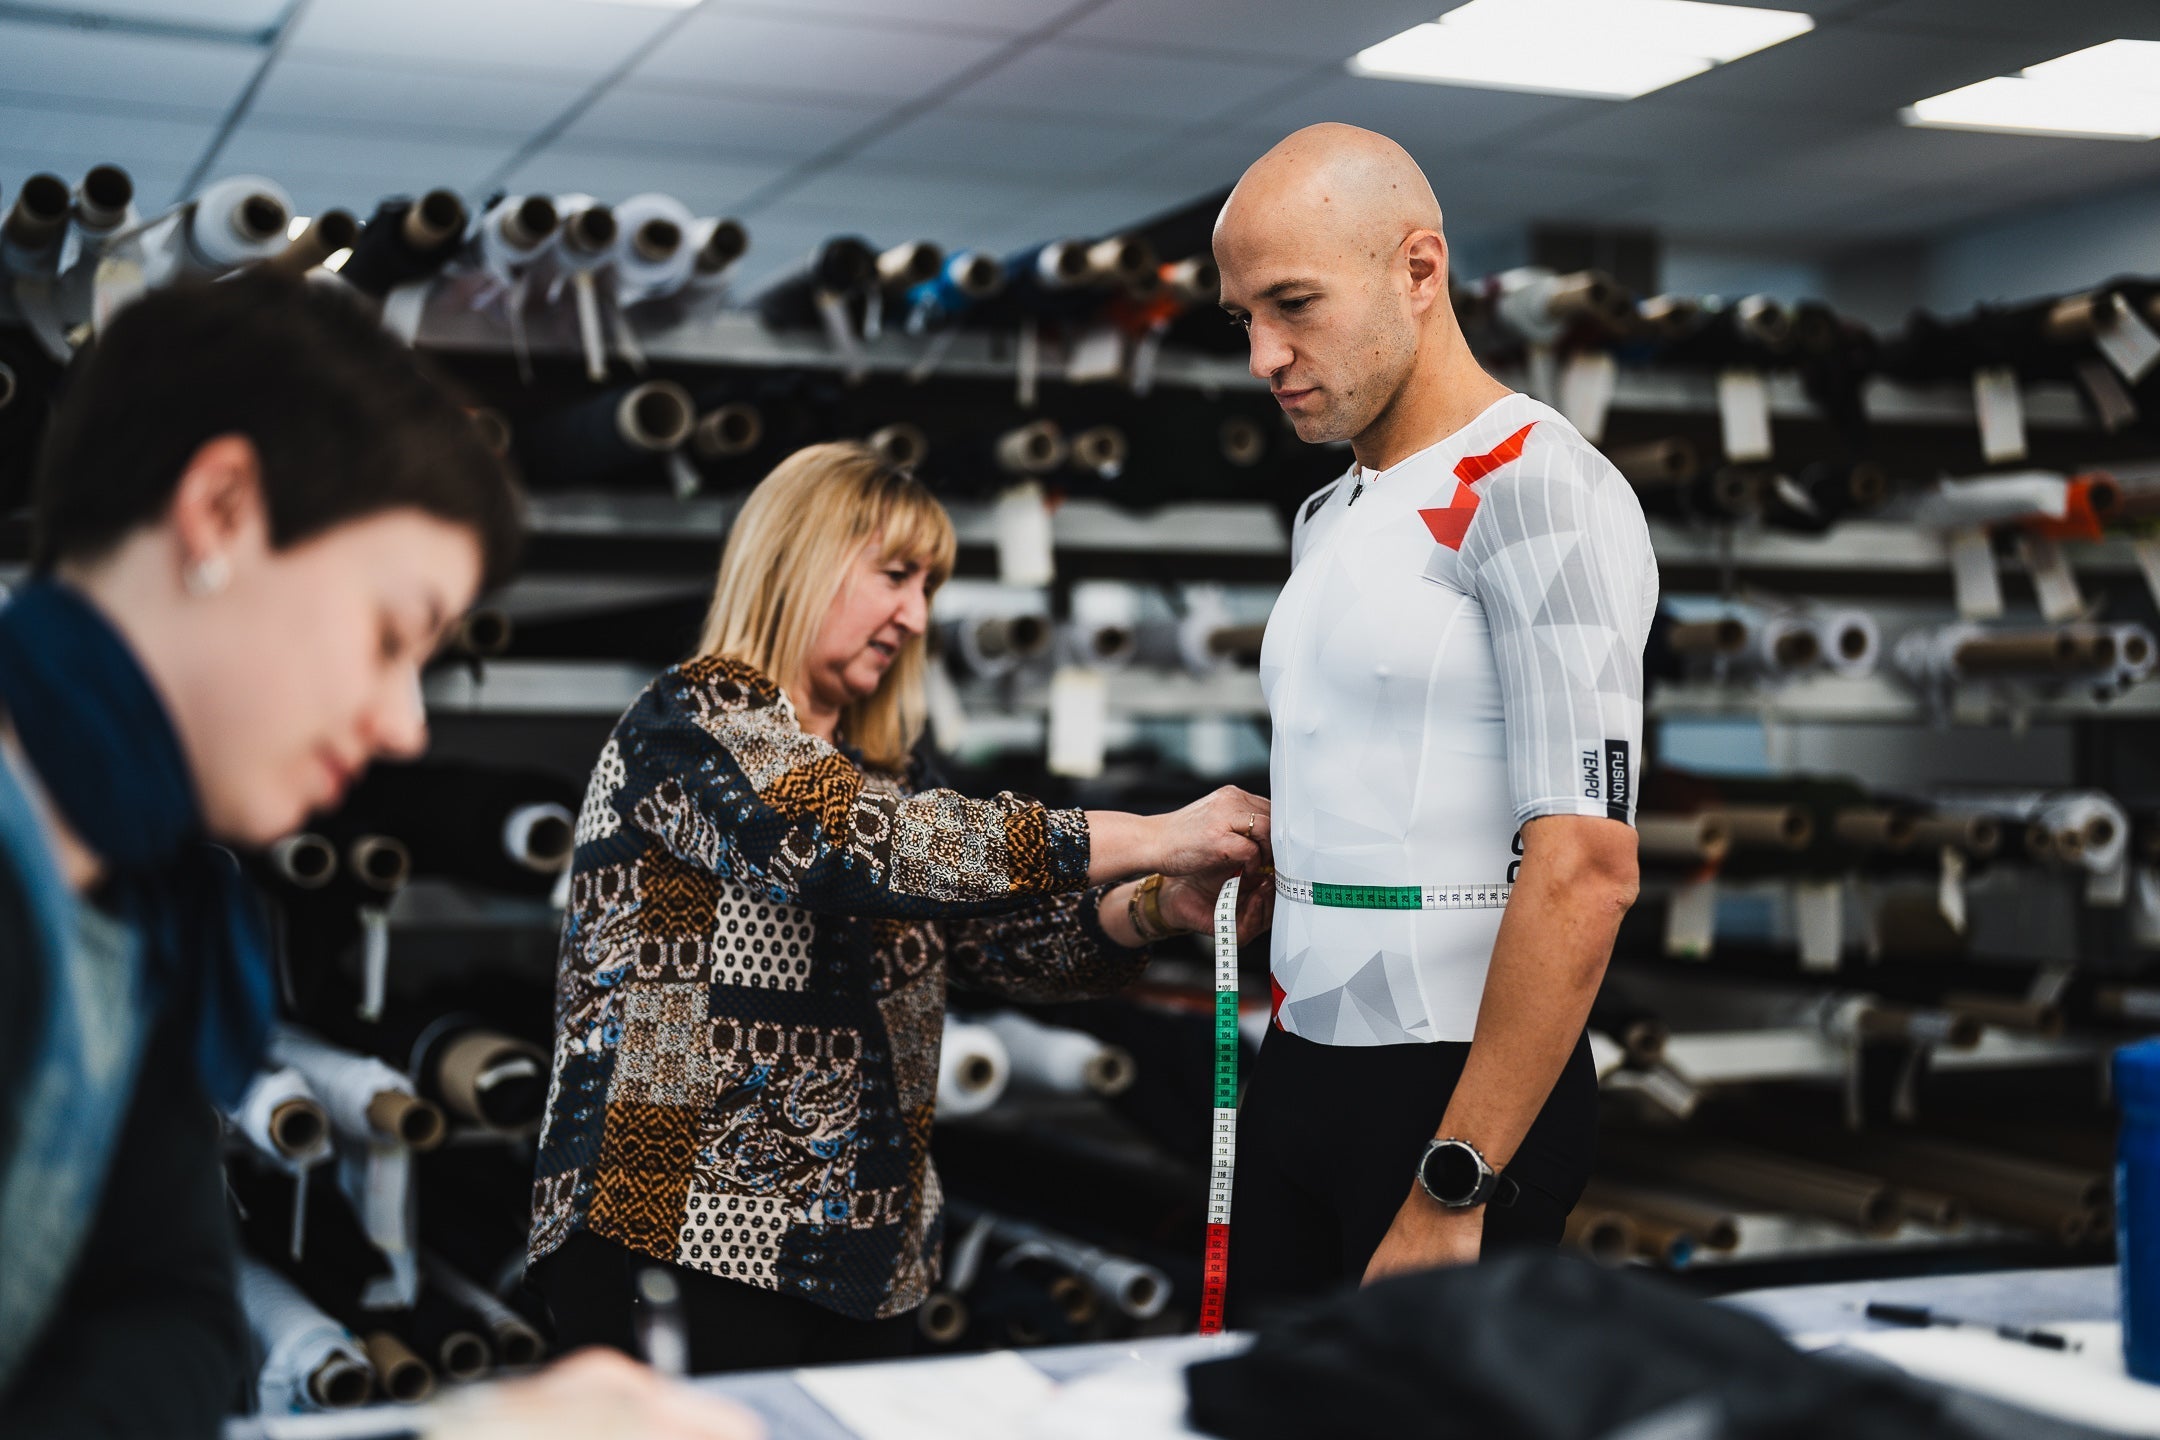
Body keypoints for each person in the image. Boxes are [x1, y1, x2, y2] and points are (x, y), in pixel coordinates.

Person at [0, 274, 753, 1440]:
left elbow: (169, 1314)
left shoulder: (137, 913)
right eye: (391, 634)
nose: (405, 726)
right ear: (222, 512)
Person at [529, 441, 1274, 1370]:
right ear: (799, 558)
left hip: (866, 1259)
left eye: (929, 587)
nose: (916, 616)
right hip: (681, 1229)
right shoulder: (693, 719)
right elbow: (846, 847)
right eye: (895, 575)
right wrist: (1157, 835)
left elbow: (1001, 943)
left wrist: (1159, 907)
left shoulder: (887, 771)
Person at [1213, 125, 1657, 1321]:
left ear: (1418, 269)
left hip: (1453, 1098)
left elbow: (1588, 866)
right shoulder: (1330, 513)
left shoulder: (1537, 485)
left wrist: (1455, 1183)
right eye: (1243, 318)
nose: (1263, 355)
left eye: (1293, 305)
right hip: (1302, 1066)